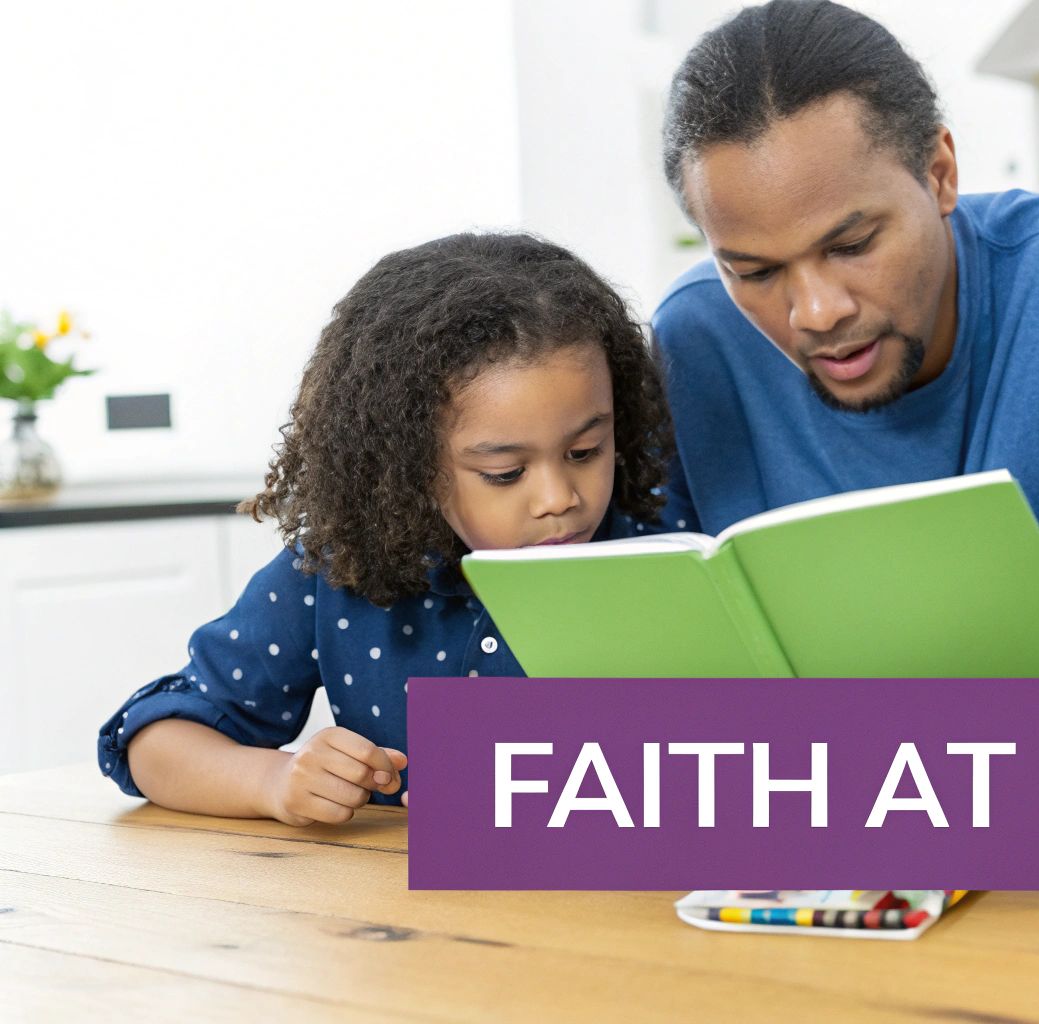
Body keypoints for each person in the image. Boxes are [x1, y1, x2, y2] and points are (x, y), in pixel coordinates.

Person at [644, 0, 1039, 636]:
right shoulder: (693, 341)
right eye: (755, 272)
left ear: (939, 173)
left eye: (852, 245)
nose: (818, 312)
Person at [96, 232, 671, 824]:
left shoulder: (665, 558)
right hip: (398, 912)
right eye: (505, 473)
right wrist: (272, 780)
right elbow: (154, 738)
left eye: (584, 451)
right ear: (408, 465)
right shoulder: (337, 572)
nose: (560, 499)